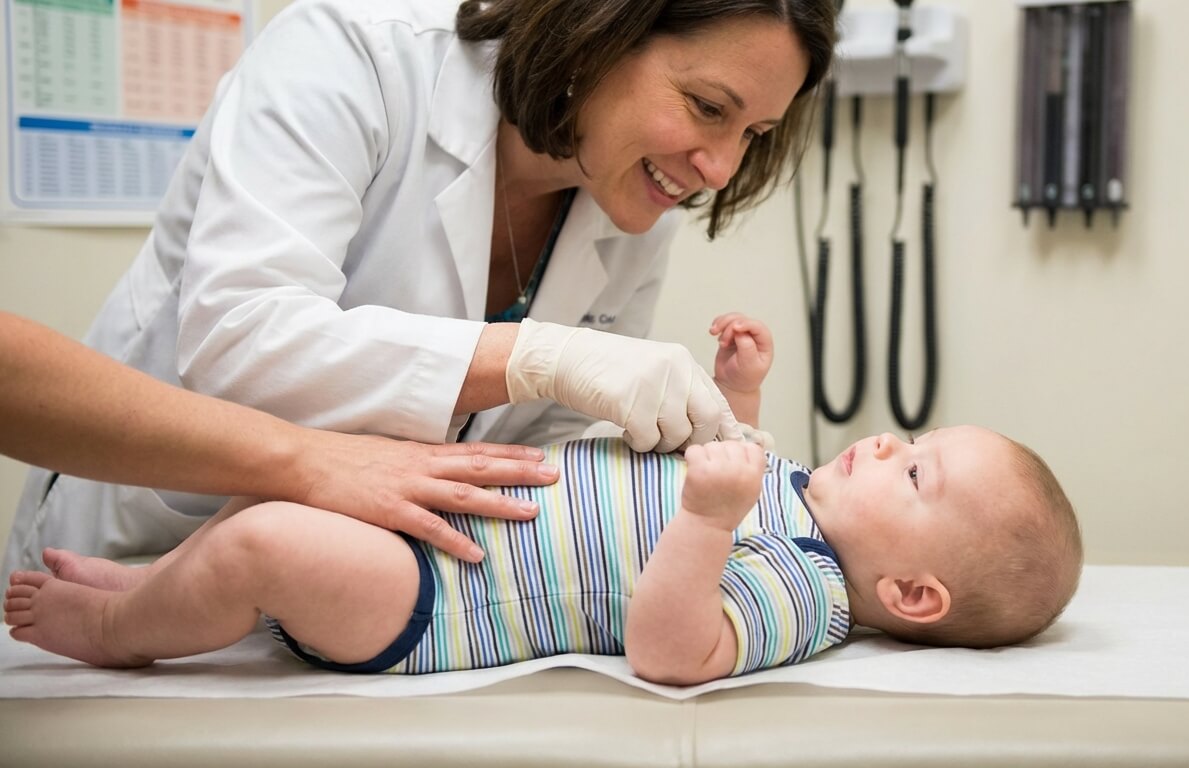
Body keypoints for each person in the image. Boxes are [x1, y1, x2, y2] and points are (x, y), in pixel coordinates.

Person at [5, 0, 838, 573]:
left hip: (354, 598)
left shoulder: (632, 199)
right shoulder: (354, 52)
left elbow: (545, 455)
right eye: (705, 107)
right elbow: (239, 337)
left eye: (754, 133)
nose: (719, 169)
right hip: (132, 551)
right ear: (599, 29)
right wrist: (537, 354)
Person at [5, 315, 1084, 684]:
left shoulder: (808, 596)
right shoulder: (790, 487)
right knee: (275, 489)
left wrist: (708, 519)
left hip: (433, 602)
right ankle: (151, 582)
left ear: (913, 591)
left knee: (271, 546)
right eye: (916, 439)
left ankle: (119, 628)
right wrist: (740, 393)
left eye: (916, 471)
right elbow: (723, 450)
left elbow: (673, 652)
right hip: (435, 521)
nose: (891, 442)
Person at [0, 312, 554, 563]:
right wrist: (312, 463)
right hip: (161, 505)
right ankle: (117, 617)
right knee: (262, 544)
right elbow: (240, 336)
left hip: (420, 540)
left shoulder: (625, 227)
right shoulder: (350, 81)